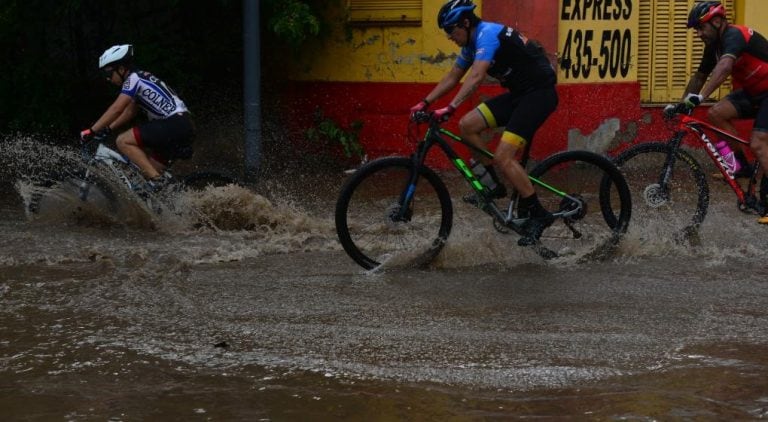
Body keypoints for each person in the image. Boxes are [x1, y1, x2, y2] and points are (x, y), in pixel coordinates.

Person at [409, 0, 558, 244]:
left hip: (539, 95)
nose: (450, 37)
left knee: (504, 157)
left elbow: (477, 75)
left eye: (451, 31)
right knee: (467, 126)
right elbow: (453, 76)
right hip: (520, 95)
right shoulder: (471, 43)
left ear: (466, 23)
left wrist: (450, 106)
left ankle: (538, 214)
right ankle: (493, 186)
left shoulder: (487, 34)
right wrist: (425, 103)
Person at [675, 1, 768, 222]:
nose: (698, 33)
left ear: (716, 22)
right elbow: (699, 77)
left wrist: (700, 98)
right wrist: (681, 104)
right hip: (755, 92)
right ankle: (739, 166)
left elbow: (724, 67)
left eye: (700, 27)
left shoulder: (734, 36)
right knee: (716, 113)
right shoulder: (713, 47)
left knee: (758, 142)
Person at [80, 44, 194, 190]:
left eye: (109, 73)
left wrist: (92, 130)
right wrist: (108, 128)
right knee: (145, 180)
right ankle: (170, 200)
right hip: (183, 125)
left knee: (123, 141)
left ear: (121, 69)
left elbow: (117, 108)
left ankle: (158, 181)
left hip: (174, 124)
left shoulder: (133, 79)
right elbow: (129, 112)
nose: (108, 79)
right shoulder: (142, 77)